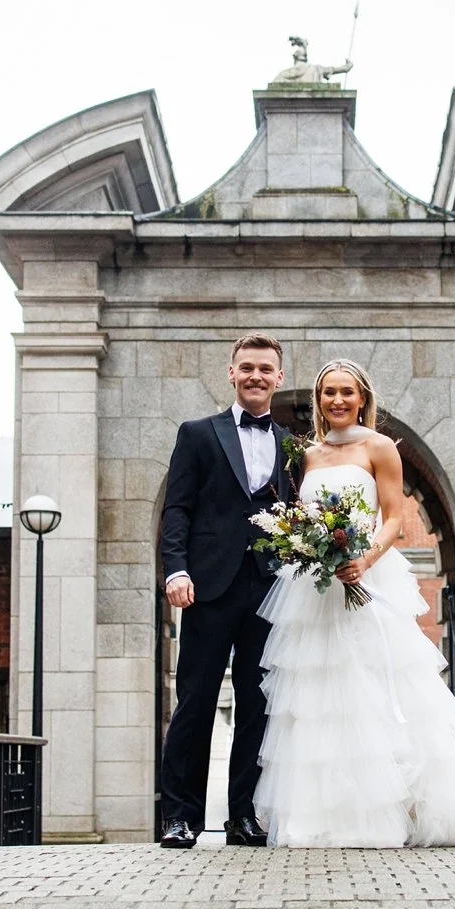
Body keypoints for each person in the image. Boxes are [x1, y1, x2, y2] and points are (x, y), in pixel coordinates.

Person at [254, 358, 455, 847]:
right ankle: (325, 816)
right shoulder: (307, 456)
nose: (338, 401)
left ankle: (393, 811)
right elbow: (300, 518)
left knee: (377, 687)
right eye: (328, 393)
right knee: (317, 697)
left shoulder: (381, 448)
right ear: (318, 401)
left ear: (363, 397)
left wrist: (362, 560)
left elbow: (393, 516)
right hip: (315, 589)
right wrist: (312, 549)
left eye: (347, 392)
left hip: (370, 579)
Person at [157, 333, 293, 848]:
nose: (256, 376)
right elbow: (178, 509)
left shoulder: (290, 443)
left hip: (270, 589)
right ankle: (180, 817)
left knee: (258, 708)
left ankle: (243, 816)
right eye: (247, 368)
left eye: (266, 369)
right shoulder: (197, 433)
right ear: (231, 373)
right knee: (195, 702)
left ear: (278, 378)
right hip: (207, 587)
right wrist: (176, 569)